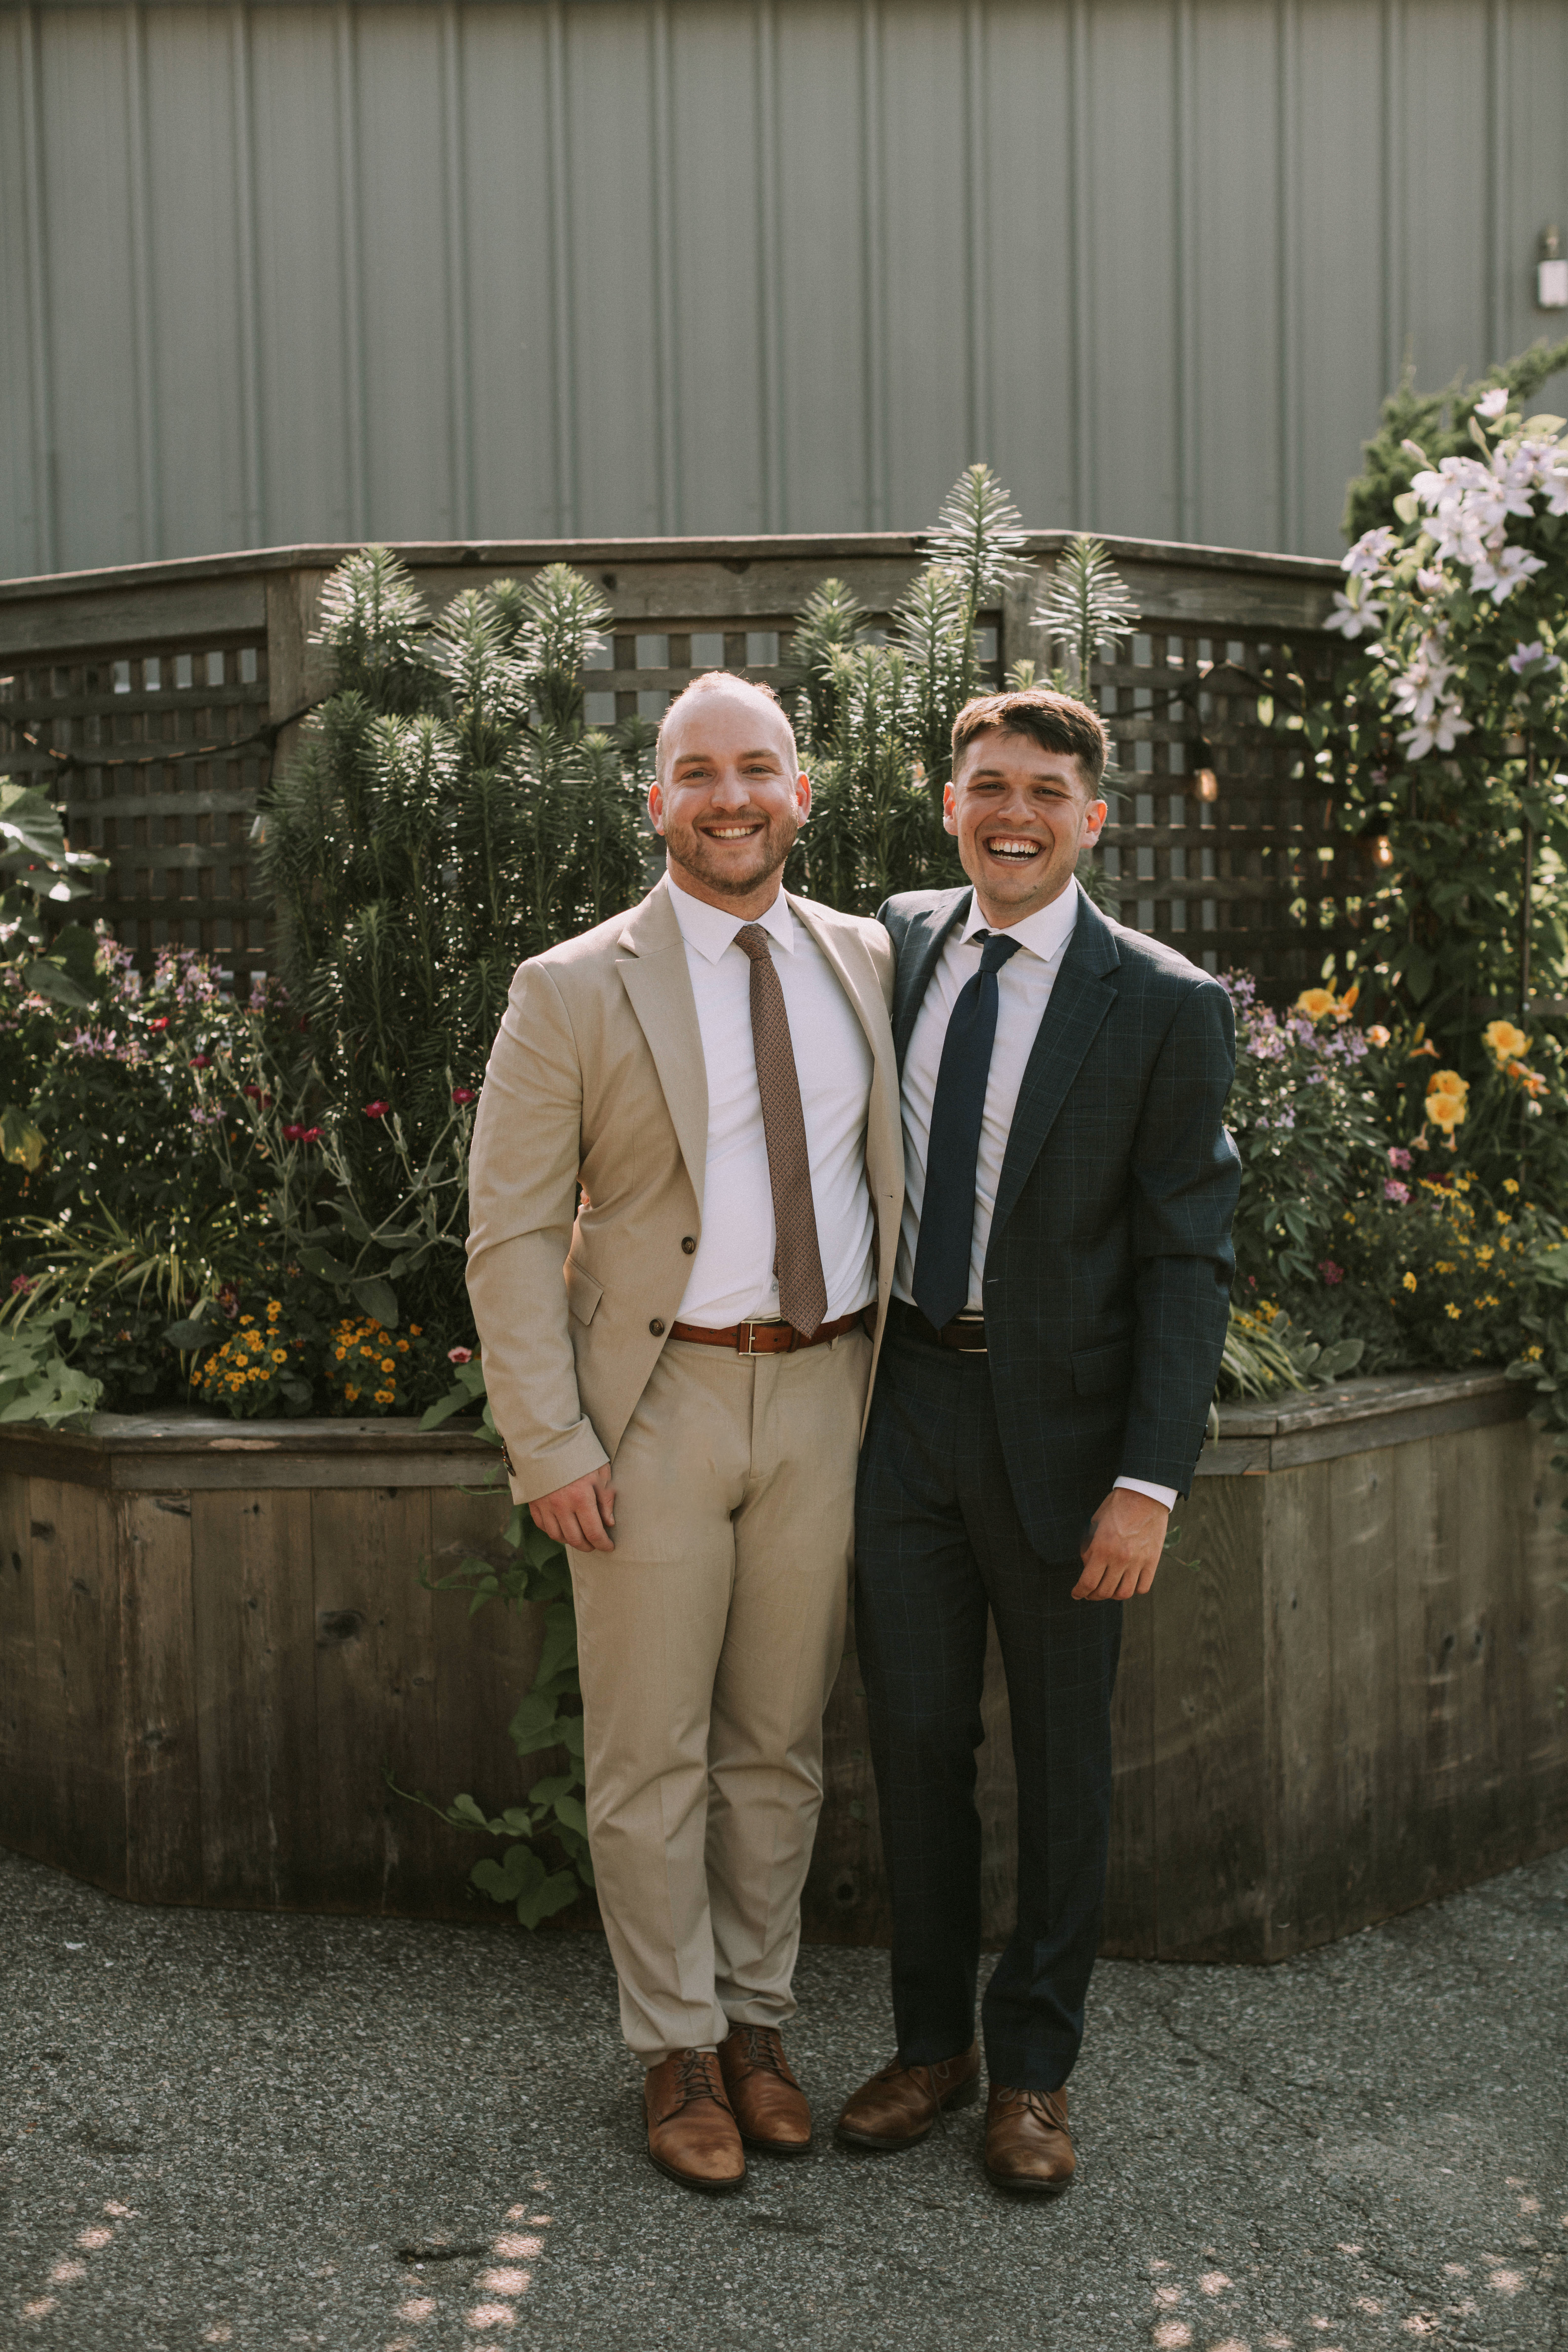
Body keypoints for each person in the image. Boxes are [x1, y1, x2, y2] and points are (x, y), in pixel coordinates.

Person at [465, 670, 903, 2193]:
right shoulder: (572, 984)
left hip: (828, 1393)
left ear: (803, 792)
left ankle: (759, 2023)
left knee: (777, 1743)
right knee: (649, 1749)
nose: (731, 796)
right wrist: (552, 1441)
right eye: (698, 771)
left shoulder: (865, 956)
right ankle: (673, 2044)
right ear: (656, 800)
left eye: (759, 768)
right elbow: (511, 1235)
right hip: (652, 1408)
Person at [836, 687, 1238, 2195]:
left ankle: (1036, 2076)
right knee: (918, 1746)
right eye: (989, 783)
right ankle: (931, 2045)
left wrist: (1148, 1481)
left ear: (1093, 816)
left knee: (1066, 1766)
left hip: (1070, 1448)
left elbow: (1188, 1255)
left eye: (1047, 789)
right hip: (907, 1414)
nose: (1015, 810)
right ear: (952, 803)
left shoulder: (1164, 1002)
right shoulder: (898, 943)